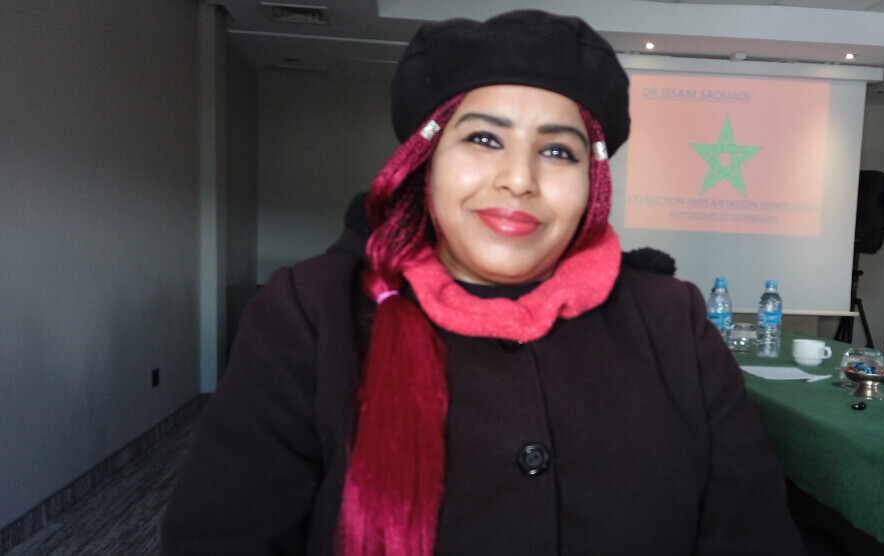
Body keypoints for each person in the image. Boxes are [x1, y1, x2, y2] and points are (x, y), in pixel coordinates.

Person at [161, 9, 806, 555]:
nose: (519, 179)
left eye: (557, 151)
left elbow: (754, 534)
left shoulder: (672, 320)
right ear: (425, 161)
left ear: (593, 183)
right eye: (484, 140)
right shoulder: (308, 314)